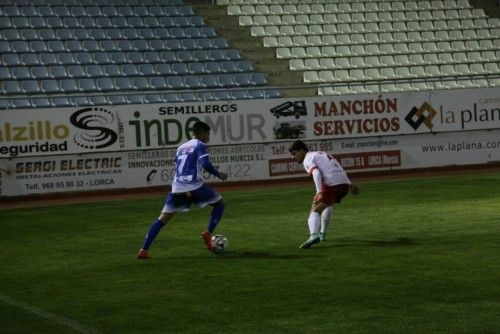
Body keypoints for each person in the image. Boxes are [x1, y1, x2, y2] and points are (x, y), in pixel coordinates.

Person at [137, 121, 228, 259]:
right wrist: (218, 174)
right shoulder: (200, 145)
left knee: (162, 219)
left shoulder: (180, 148)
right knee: (220, 203)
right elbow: (205, 164)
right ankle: (208, 233)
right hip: (195, 186)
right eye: (207, 134)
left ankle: (143, 250)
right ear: (202, 133)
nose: (208, 137)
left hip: (177, 187)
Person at [288, 140, 359, 249]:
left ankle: (313, 235)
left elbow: (316, 173)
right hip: (343, 185)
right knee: (328, 204)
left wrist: (319, 192)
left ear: (301, 150)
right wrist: (349, 184)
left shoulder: (308, 159)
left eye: (294, 153)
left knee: (315, 210)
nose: (293, 157)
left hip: (331, 183)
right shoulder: (320, 154)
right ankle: (322, 234)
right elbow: (336, 166)